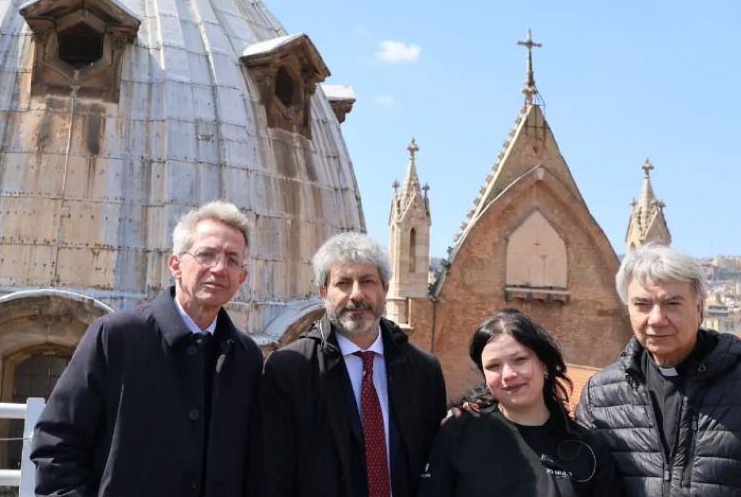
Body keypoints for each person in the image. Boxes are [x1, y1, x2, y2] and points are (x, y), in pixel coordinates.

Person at [31, 200, 263, 497]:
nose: (219, 268)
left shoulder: (246, 357)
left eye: (232, 260)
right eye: (207, 254)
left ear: (241, 278)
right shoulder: (115, 337)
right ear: (176, 265)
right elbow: (56, 443)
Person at [576, 242, 741, 496]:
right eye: (642, 305)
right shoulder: (600, 395)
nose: (656, 319)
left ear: (699, 308)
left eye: (672, 304)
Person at [257, 231, 447, 497]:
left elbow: (437, 465)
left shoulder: (424, 371)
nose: (356, 294)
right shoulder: (290, 370)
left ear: (385, 289)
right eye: (343, 283)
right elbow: (273, 474)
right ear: (323, 293)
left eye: (367, 281)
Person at [419, 309, 621, 497]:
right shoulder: (458, 433)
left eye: (520, 359)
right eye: (493, 366)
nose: (508, 375)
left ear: (543, 362)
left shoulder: (587, 449)